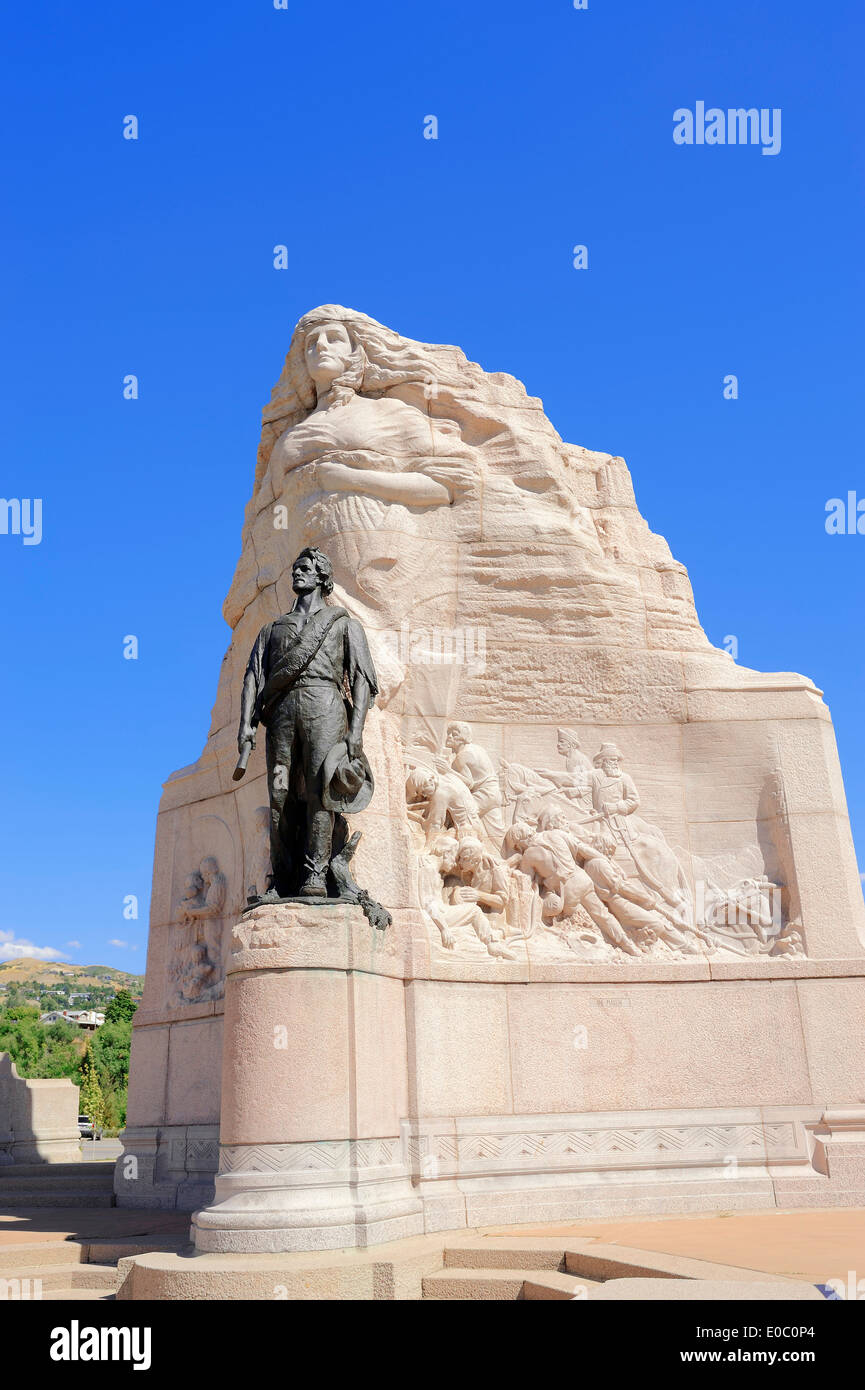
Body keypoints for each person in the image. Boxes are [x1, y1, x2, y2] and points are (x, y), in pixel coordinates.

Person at [237, 547, 378, 899]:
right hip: (282, 714)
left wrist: (356, 731)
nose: (297, 573)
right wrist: (245, 725)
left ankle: (316, 874)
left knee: (320, 793)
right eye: (295, 568)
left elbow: (362, 678)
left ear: (321, 577)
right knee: (280, 793)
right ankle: (283, 878)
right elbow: (254, 677)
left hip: (326, 708)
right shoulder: (271, 629)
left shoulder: (344, 624)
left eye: (305, 568)